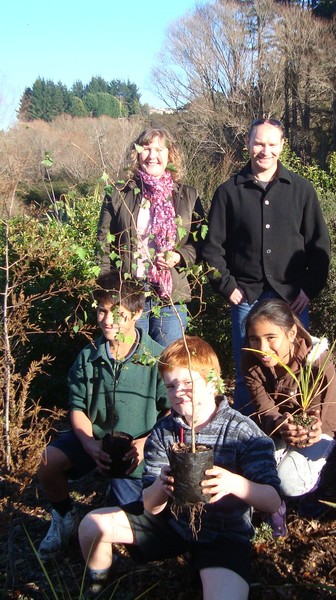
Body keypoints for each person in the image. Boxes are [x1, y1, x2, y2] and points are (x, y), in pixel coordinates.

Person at [78, 335, 281, 599]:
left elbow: (273, 501)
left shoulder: (242, 432)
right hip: (172, 525)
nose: (178, 392)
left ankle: (207, 568)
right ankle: (98, 585)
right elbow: (150, 506)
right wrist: (161, 487)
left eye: (188, 383)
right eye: (171, 386)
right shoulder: (165, 431)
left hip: (223, 536)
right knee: (91, 526)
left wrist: (234, 483)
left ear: (212, 384)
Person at [202, 118, 331, 412]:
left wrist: (309, 290)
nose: (265, 150)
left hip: (292, 299)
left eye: (272, 144)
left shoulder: (301, 190)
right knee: (248, 370)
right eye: (259, 143)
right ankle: (251, 438)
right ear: (247, 144)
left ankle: (294, 432)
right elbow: (212, 249)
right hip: (246, 297)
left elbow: (320, 247)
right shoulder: (228, 192)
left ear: (282, 146)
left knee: (298, 367)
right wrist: (227, 286)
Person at [36, 272, 168, 560]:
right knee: (48, 463)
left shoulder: (157, 358)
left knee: (140, 547)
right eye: (101, 311)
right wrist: (89, 445)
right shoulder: (88, 356)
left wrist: (145, 445)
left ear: (136, 314)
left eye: (117, 313)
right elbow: (78, 407)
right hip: (95, 440)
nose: (108, 320)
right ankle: (64, 517)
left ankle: (115, 512)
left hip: (135, 453)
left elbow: (171, 412)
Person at [241, 298, 336, 536]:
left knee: (287, 481)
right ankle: (275, 510)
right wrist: (280, 424)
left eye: (270, 338)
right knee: (259, 472)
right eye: (254, 339)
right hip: (277, 429)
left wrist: (312, 431)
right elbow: (264, 409)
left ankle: (313, 490)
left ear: (291, 333)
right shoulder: (250, 359)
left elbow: (328, 416)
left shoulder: (318, 360)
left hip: (317, 434)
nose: (262, 349)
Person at [97, 127, 205, 348]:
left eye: (159, 149)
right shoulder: (118, 194)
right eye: (146, 148)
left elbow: (201, 242)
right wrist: (107, 290)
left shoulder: (188, 196)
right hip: (128, 296)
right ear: (137, 154)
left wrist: (179, 257)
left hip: (170, 297)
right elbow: (103, 244)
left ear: (170, 155)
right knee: (131, 357)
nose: (152, 155)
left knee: (170, 362)